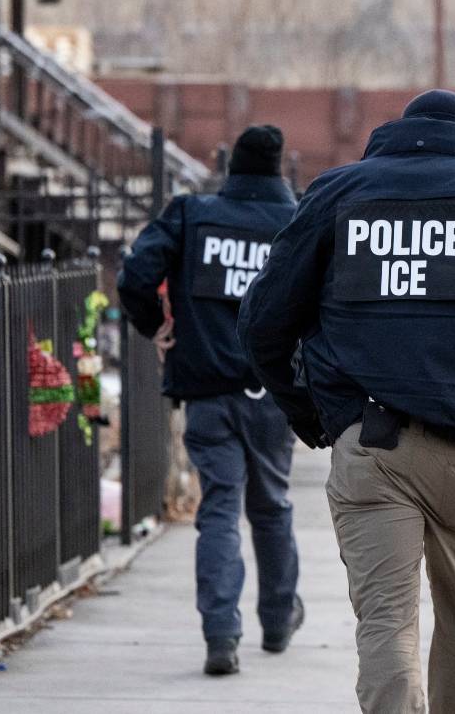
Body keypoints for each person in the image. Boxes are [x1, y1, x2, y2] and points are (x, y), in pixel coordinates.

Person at [238, 90, 455, 714]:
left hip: (371, 446)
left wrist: (312, 416)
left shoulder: (338, 193)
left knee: (387, 625)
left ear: (395, 132)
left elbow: (263, 321)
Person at [118, 125, 304, 676]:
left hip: (208, 392)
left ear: (233, 171)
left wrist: (157, 326)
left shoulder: (191, 214)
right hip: (274, 394)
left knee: (220, 507)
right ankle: (276, 619)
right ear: (276, 173)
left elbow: (135, 276)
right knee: (271, 504)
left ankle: (221, 634)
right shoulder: (294, 224)